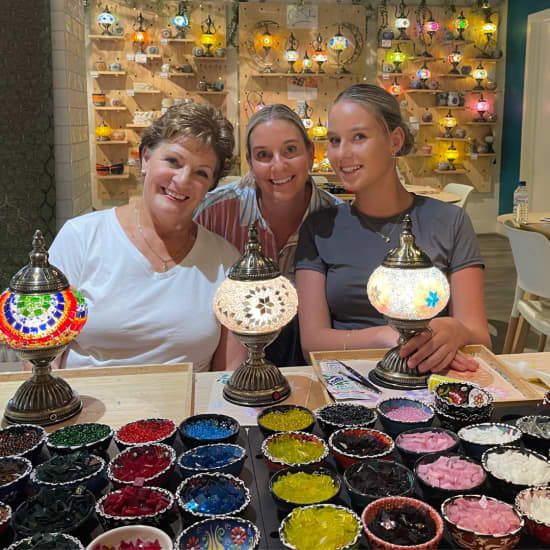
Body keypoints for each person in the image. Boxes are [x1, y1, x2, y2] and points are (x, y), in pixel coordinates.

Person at [295, 84, 491, 374]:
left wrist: (455, 330)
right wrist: (387, 336)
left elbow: (480, 337)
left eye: (359, 137)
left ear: (394, 140)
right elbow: (312, 342)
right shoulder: (321, 228)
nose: (341, 153)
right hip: (351, 379)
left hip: (432, 378)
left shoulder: (450, 221)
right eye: (334, 140)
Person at [49, 102, 244, 371]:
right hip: (88, 397)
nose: (183, 180)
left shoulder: (225, 260)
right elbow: (42, 358)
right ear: (145, 158)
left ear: (210, 186)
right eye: (173, 161)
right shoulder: (81, 238)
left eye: (201, 173)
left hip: (187, 398)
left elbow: (227, 375)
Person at [195, 104, 341, 366]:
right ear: (250, 163)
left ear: (310, 154)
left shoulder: (338, 219)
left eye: (290, 150)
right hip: (230, 357)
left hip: (313, 361)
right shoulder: (212, 212)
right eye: (263, 155)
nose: (279, 165)